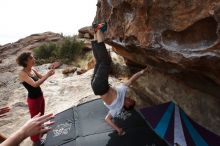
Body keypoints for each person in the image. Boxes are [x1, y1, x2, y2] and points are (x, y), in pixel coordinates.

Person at [91, 24, 151, 136]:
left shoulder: (117, 109)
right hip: (98, 87)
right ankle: (95, 34)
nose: (129, 98)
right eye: (131, 99)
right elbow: (131, 80)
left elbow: (107, 119)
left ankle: (98, 31)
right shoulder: (122, 92)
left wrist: (118, 129)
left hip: (100, 87)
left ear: (127, 105)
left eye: (130, 101)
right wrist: (143, 72)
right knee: (99, 62)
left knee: (105, 62)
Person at [16, 52, 55, 146]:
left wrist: (50, 71)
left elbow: (41, 77)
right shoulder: (22, 73)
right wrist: (48, 75)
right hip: (33, 100)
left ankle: (41, 132)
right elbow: (35, 84)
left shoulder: (32, 69)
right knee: (35, 121)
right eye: (31, 58)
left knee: (41, 116)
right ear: (25, 61)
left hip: (40, 96)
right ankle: (36, 141)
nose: (34, 59)